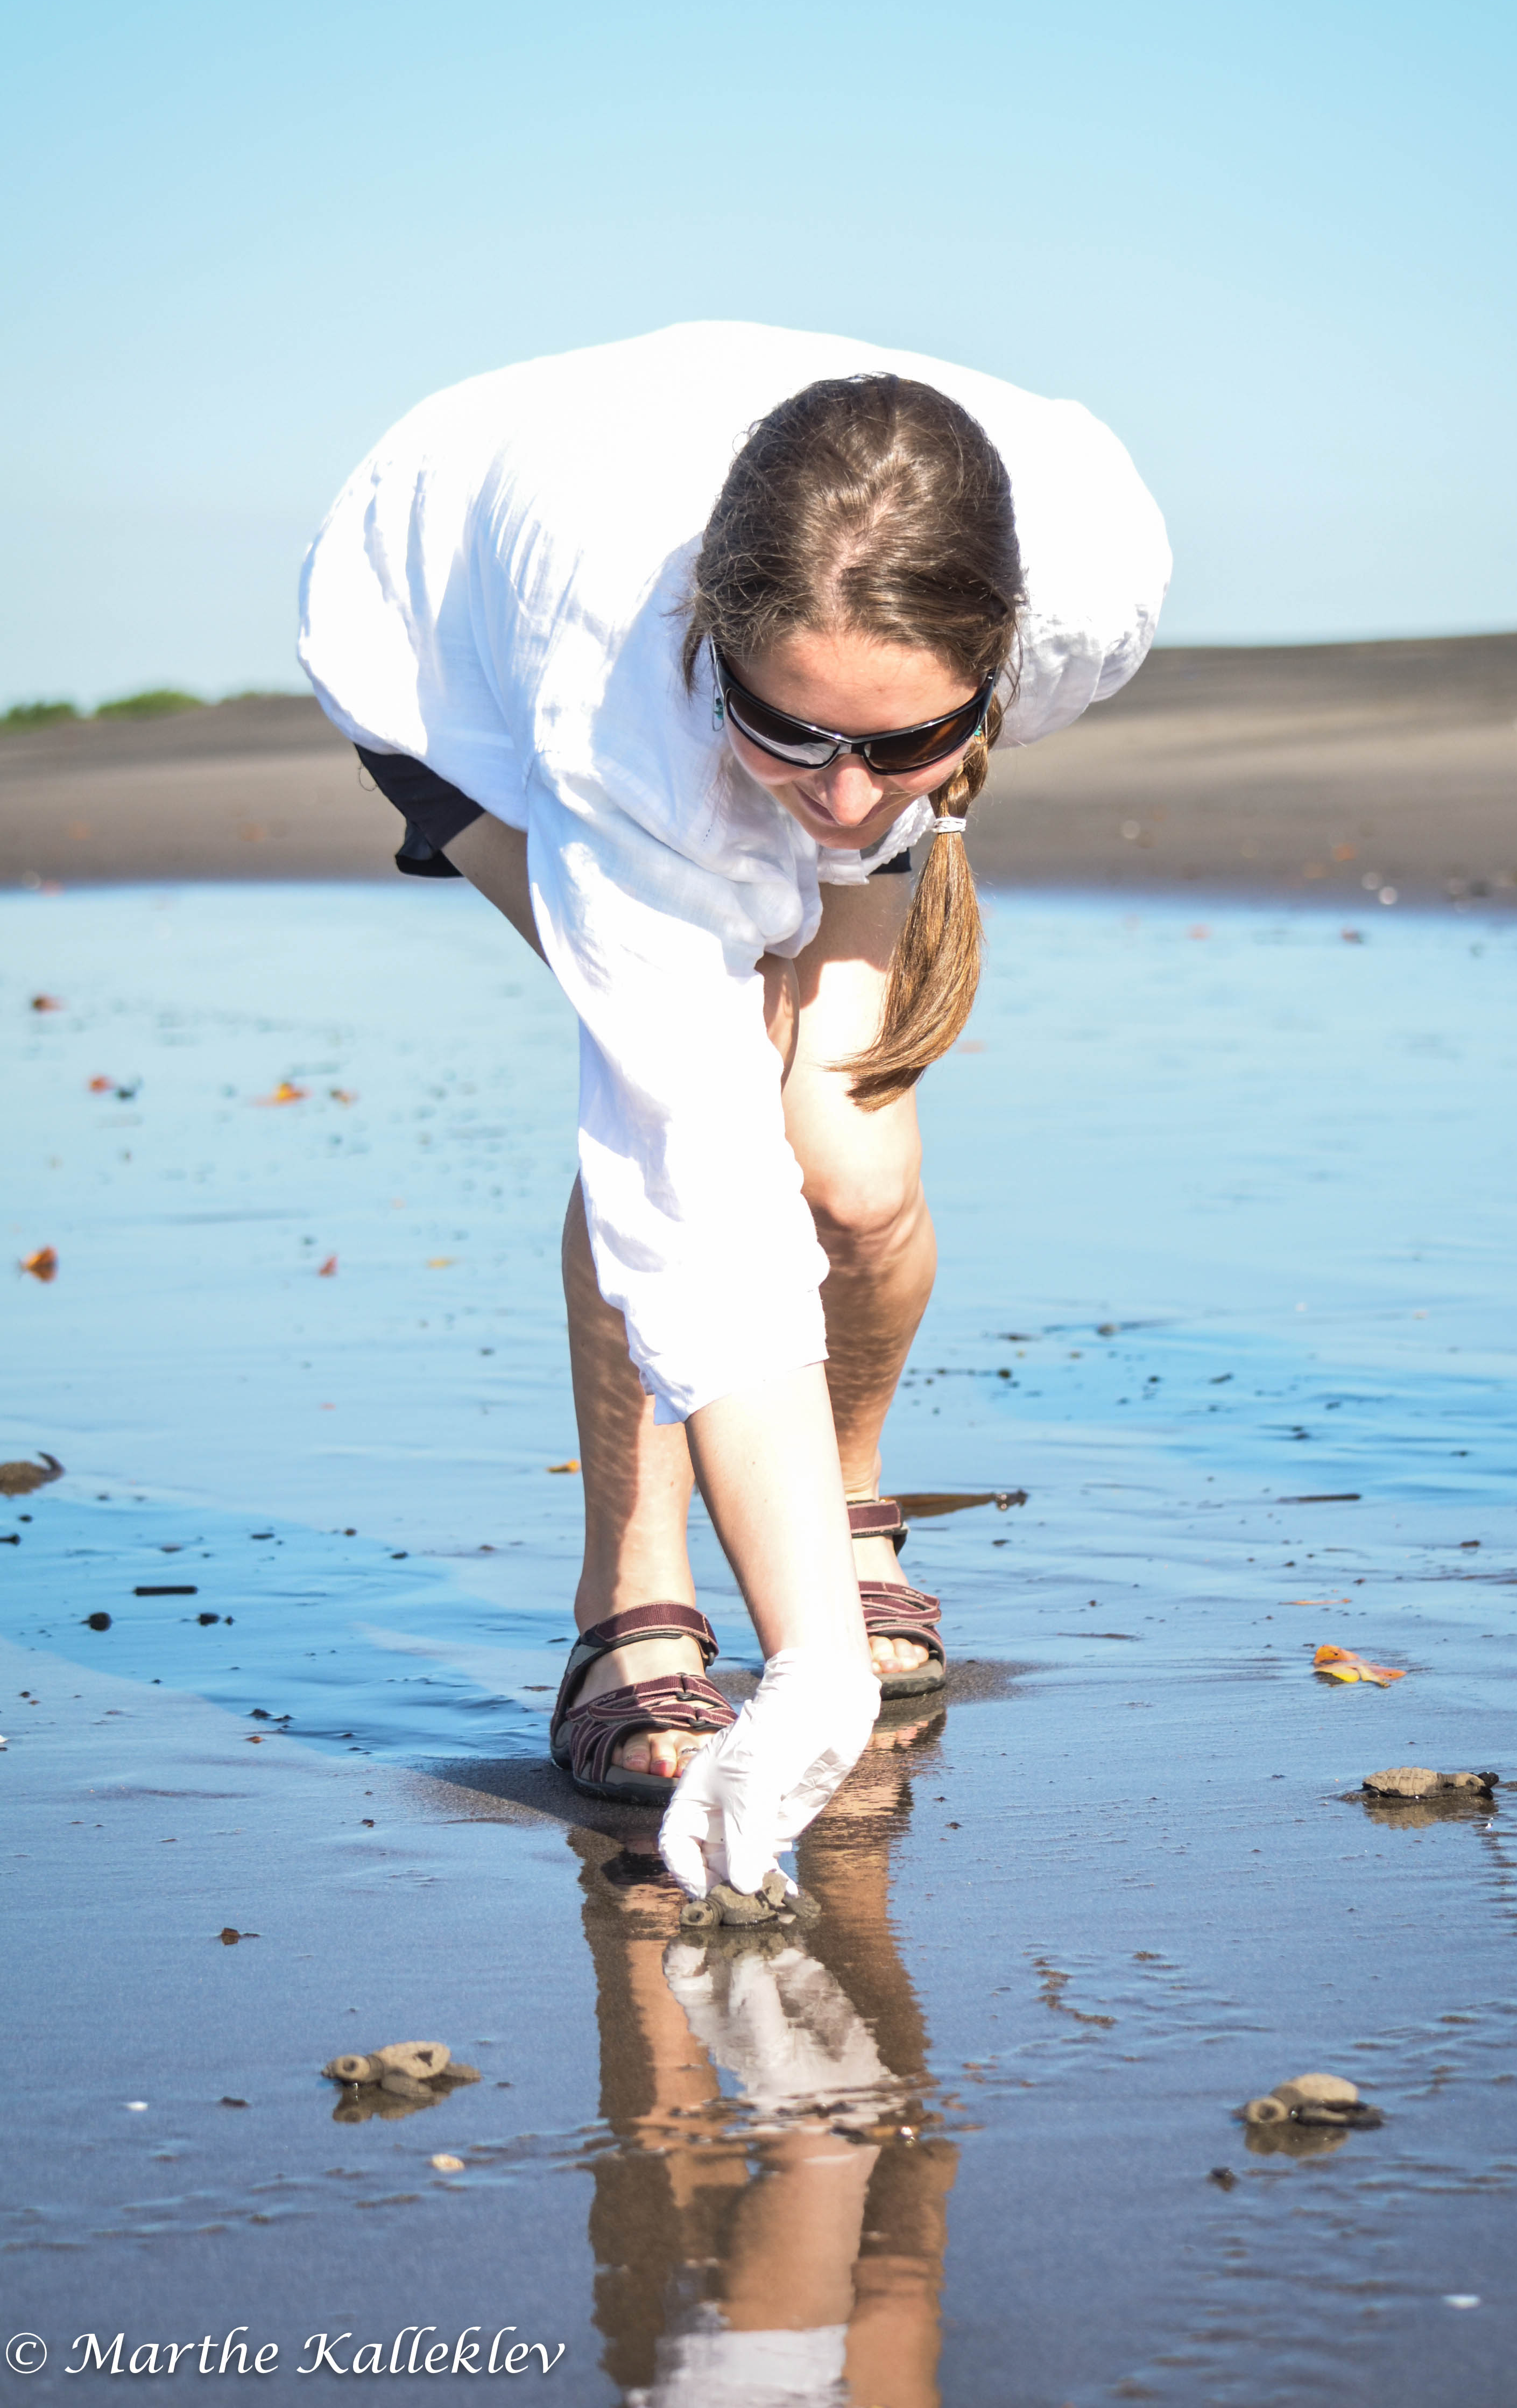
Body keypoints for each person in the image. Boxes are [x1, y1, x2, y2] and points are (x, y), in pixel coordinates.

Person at [298, 320, 1169, 1899]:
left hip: (830, 637)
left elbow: (864, 764)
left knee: (849, 1166)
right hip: (450, 647)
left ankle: (844, 1498)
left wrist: (876, 763)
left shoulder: (1094, 575)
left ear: (998, 661)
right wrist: (815, 1667)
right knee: (710, 1104)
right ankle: (629, 1604)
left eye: (903, 742)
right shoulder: (615, 713)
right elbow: (689, 1185)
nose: (843, 801)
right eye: (793, 735)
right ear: (716, 640)